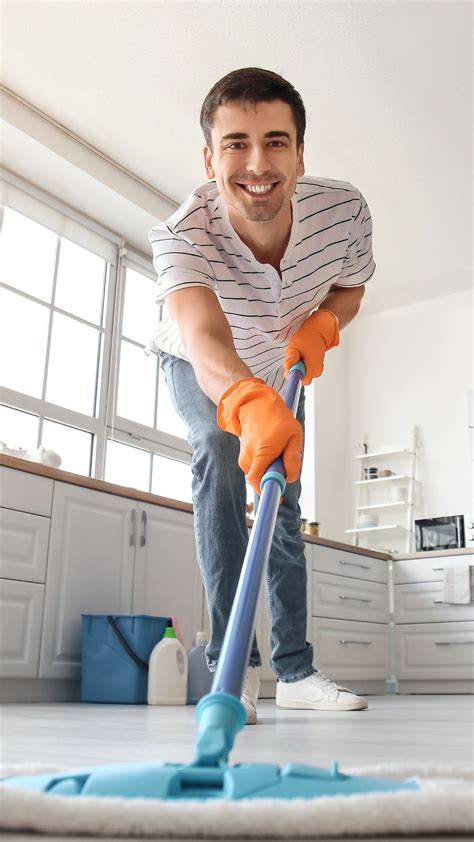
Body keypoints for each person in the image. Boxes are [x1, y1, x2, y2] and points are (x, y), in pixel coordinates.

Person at [147, 67, 375, 724]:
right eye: (236, 144)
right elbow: (202, 336)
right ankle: (231, 667)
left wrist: (325, 322)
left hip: (281, 367)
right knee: (221, 451)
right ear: (209, 156)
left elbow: (350, 288)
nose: (257, 163)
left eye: (276, 142)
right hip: (200, 364)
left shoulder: (345, 211)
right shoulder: (181, 234)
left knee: (283, 498)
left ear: (301, 152)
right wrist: (245, 402)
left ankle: (295, 670)